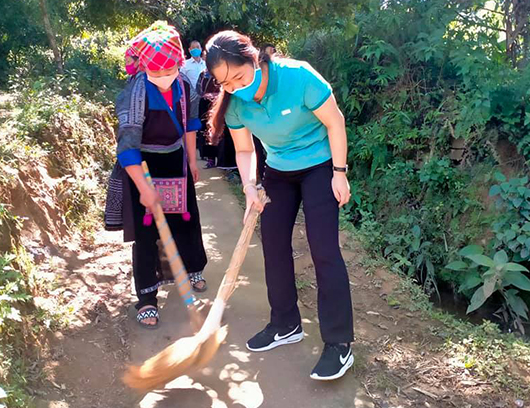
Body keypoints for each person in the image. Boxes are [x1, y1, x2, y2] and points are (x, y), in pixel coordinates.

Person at [205, 30, 354, 380]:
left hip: (319, 167)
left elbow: (335, 122)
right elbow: (244, 151)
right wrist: (249, 187)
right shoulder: (236, 103)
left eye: (239, 77)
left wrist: (339, 172)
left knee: (324, 250)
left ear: (253, 59)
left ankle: (338, 344)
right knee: (273, 246)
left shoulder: (298, 76)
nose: (235, 88)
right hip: (279, 172)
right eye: (225, 84)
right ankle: (286, 324)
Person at [115, 21, 208, 329]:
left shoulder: (184, 85)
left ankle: (193, 267)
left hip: (176, 160)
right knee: (146, 234)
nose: (163, 78)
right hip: (142, 164)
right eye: (156, 73)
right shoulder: (136, 92)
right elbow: (127, 148)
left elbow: (191, 124)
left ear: (179, 65)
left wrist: (192, 160)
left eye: (168, 72)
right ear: (145, 69)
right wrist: (143, 187)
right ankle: (147, 298)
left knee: (186, 219)